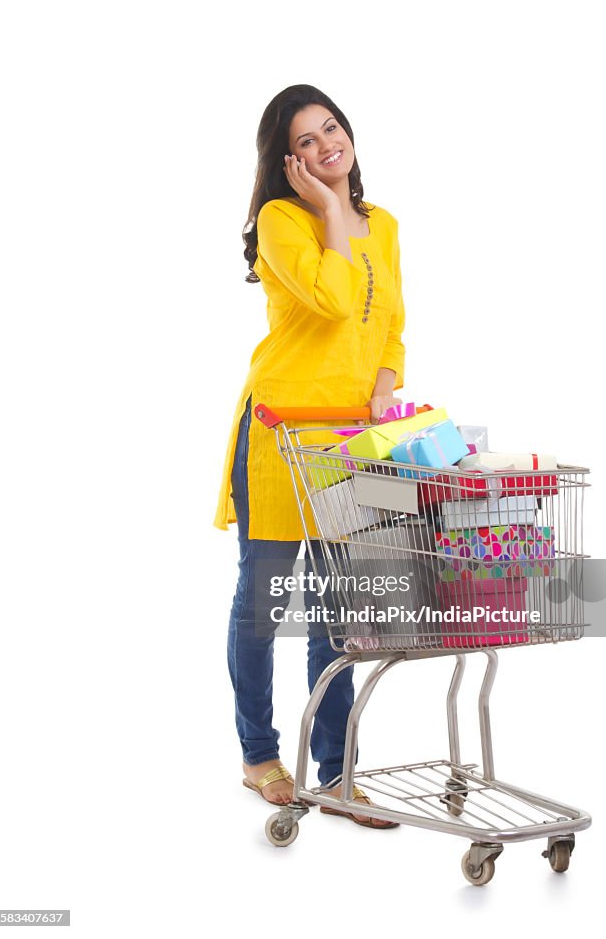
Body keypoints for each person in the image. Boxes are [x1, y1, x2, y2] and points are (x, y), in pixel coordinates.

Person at [214, 84, 405, 827]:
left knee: (339, 614)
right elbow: (329, 302)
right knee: (264, 607)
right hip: (279, 433)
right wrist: (330, 212)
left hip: (349, 446)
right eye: (306, 140)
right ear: (286, 161)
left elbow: (391, 327)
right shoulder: (281, 221)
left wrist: (385, 389)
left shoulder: (384, 226)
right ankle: (260, 755)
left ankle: (337, 771)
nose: (328, 145)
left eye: (332, 127)